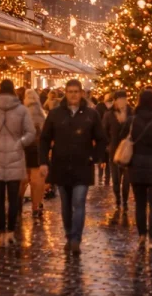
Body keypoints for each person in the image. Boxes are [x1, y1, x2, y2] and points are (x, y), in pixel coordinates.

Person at [40, 79, 108, 255]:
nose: (73, 95)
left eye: (76, 91)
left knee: (78, 202)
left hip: (82, 165)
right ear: (66, 93)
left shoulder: (91, 115)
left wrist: (95, 156)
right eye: (70, 91)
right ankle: (69, 234)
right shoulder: (56, 114)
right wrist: (43, 162)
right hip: (61, 165)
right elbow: (45, 139)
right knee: (65, 203)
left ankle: (76, 238)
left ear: (81, 93)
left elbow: (101, 138)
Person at [0, 79, 36, 247]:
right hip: (15, 156)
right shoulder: (22, 110)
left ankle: (1, 233)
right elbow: (30, 133)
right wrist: (20, 142)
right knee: (13, 198)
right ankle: (10, 232)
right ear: (13, 92)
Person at [119, 90, 152, 249]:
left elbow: (123, 139)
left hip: (136, 165)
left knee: (140, 203)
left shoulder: (132, 120)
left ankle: (142, 235)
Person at [102, 90, 133, 208]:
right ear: (115, 101)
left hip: (128, 149)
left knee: (127, 178)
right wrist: (108, 145)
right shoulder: (109, 115)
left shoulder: (131, 113)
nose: (122, 101)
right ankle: (118, 199)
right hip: (114, 149)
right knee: (116, 178)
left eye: (124, 98)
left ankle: (124, 201)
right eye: (119, 99)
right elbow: (103, 132)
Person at [20, 88, 47, 218]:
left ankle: (17, 204)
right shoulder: (43, 114)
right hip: (38, 150)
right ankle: (37, 206)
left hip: (24, 150)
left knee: (22, 179)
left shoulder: (21, 113)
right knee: (37, 181)